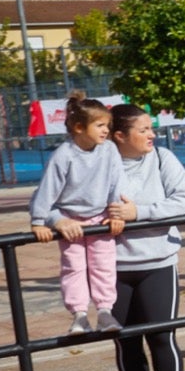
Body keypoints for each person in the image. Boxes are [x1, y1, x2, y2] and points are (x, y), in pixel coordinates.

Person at [105, 104, 185, 371]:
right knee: (126, 342)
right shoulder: (99, 165)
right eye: (142, 129)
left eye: (150, 128)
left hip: (158, 263)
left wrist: (139, 213)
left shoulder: (162, 159)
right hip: (112, 268)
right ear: (119, 136)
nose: (151, 135)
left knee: (162, 336)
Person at [31, 97, 125, 335]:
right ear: (79, 127)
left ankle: (105, 311)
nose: (106, 130)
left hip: (99, 217)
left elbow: (117, 181)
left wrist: (116, 211)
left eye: (107, 125)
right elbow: (47, 190)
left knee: (103, 265)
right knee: (74, 267)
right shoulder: (64, 155)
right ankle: (79, 314)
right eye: (100, 125)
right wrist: (40, 221)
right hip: (70, 218)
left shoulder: (110, 149)